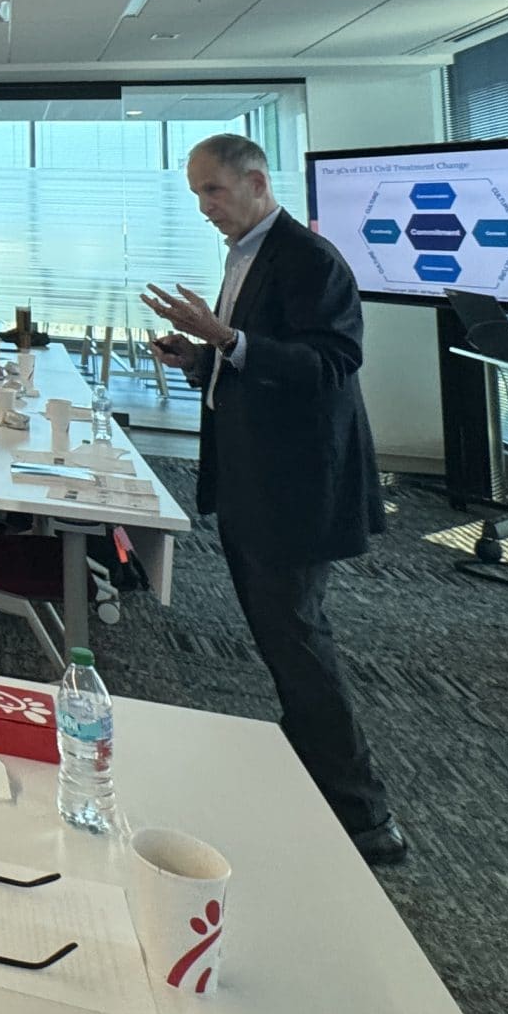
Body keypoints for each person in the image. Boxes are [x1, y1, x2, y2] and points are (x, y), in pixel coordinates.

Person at [140, 132, 402, 866]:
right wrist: (201, 355)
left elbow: (333, 361)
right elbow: (248, 360)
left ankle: (363, 812)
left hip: (296, 489)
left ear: (256, 181)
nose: (204, 208)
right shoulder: (245, 256)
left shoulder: (309, 258)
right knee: (282, 638)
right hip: (254, 479)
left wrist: (225, 335)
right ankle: (309, 768)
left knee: (298, 638)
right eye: (196, 194)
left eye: (213, 191)